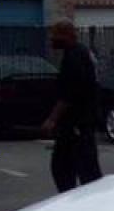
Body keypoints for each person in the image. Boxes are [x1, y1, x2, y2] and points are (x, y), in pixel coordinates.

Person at [43, 21, 102, 192]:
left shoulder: (75, 57)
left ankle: (84, 200)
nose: (51, 39)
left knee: (74, 167)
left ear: (66, 35)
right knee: (68, 165)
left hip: (77, 122)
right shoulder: (80, 53)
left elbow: (70, 93)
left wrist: (52, 119)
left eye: (54, 35)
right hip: (79, 122)